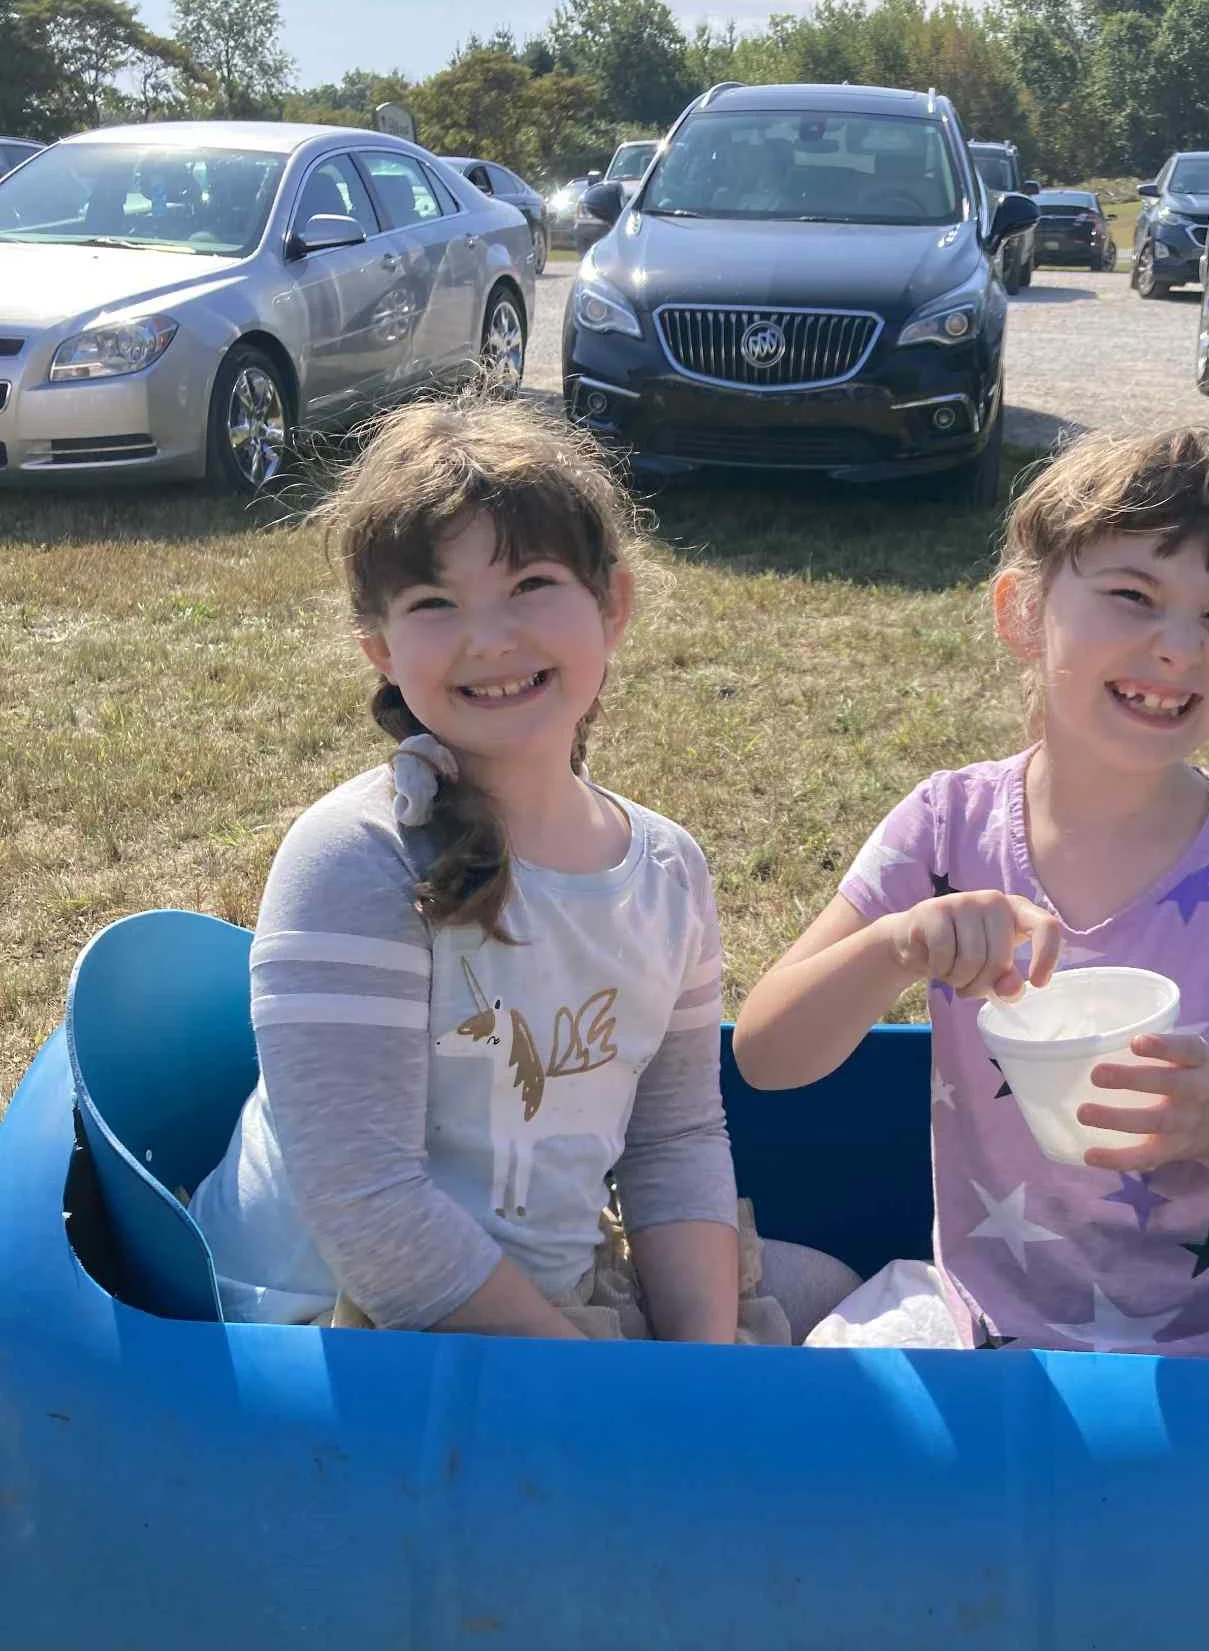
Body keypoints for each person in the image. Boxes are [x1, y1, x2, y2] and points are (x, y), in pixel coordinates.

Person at [192, 397, 852, 1340]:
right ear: (381, 649)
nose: (489, 638)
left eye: (531, 584)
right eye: (434, 604)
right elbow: (368, 1207)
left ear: (613, 605)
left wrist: (703, 1371)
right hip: (342, 1327)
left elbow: (674, 1141)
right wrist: (603, 1388)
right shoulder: (359, 856)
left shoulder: (667, 869)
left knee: (829, 1289)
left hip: (545, 1298)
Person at [732, 423, 1209, 1356]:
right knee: (825, 1445)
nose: (1178, 649)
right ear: (1022, 615)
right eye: (1132, 596)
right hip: (979, 1324)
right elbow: (764, 1054)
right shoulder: (946, 828)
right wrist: (896, 949)